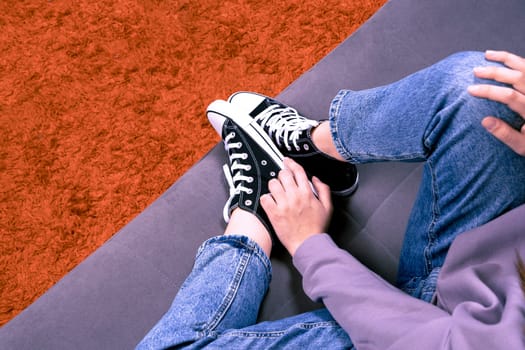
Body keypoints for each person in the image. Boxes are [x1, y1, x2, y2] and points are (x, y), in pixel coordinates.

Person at [136, 50, 525, 349]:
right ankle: (314, 148)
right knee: (482, 88)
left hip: (437, 334)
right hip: (496, 277)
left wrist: (310, 245)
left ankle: (256, 213)